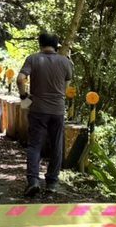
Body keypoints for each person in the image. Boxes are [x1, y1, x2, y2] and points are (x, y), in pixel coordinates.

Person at [17, 32, 74, 196]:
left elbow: (20, 79)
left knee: (35, 145)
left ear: (40, 44)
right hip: (57, 110)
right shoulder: (65, 62)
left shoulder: (33, 59)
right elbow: (65, 87)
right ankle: (51, 184)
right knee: (57, 146)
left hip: (38, 109)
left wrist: (23, 96)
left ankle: (33, 181)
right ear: (56, 45)